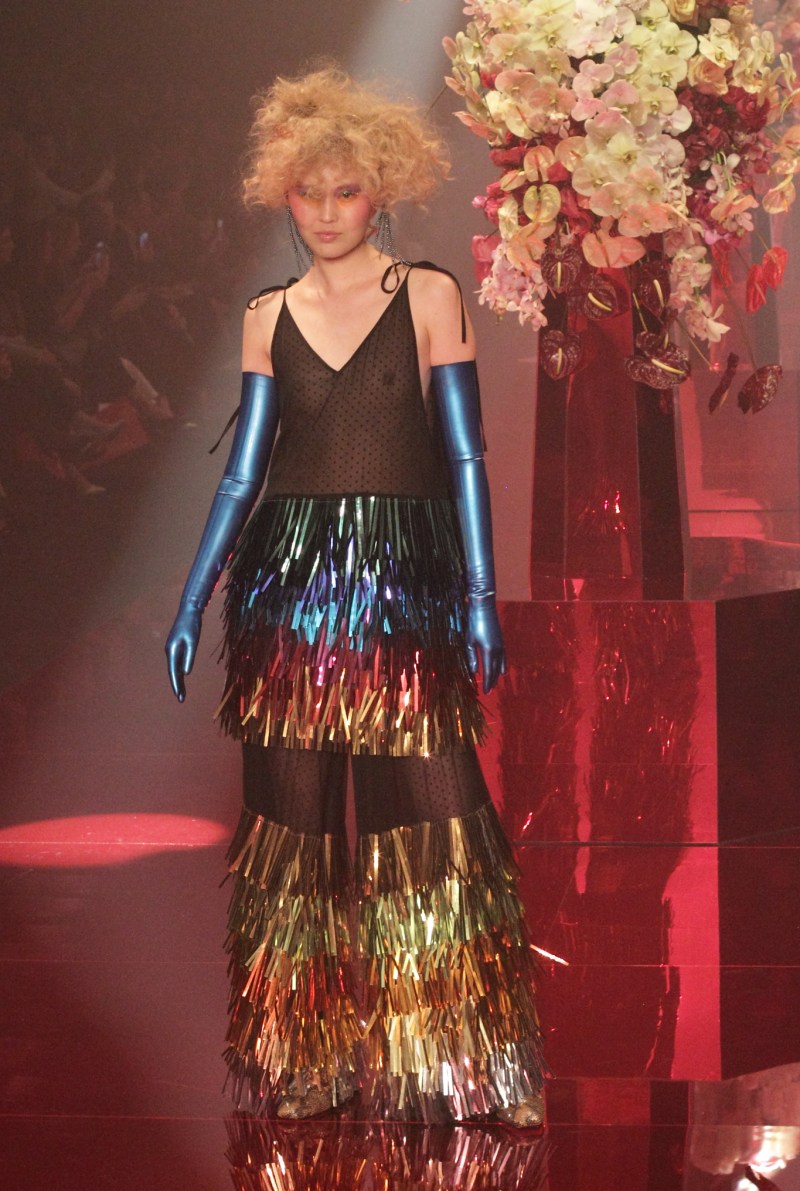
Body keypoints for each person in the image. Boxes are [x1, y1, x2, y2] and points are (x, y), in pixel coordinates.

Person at [165, 67, 546, 1128]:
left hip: (404, 590)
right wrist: (192, 600)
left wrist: (479, 593)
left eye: (346, 191)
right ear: (281, 192)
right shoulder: (266, 317)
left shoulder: (427, 296)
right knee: (289, 827)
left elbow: (464, 454)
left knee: (436, 815)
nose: (326, 212)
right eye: (308, 192)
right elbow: (242, 474)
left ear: (382, 189)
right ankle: (305, 1055)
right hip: (287, 594)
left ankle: (465, 1062)